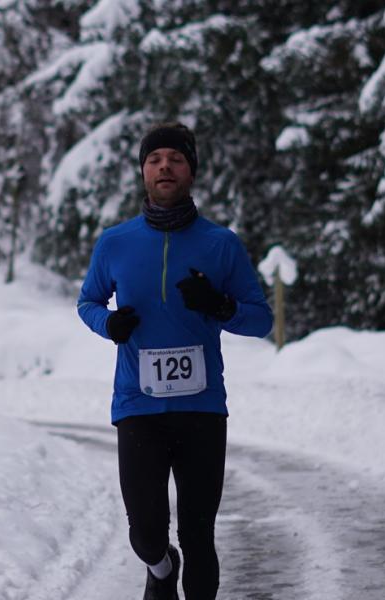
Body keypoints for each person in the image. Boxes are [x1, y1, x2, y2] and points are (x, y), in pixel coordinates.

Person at [76, 122, 273, 599]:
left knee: (199, 534)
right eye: (154, 159)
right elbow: (88, 303)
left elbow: (260, 319)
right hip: (138, 406)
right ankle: (161, 569)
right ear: (143, 172)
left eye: (176, 159)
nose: (165, 166)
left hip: (202, 409)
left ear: (191, 172)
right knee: (146, 533)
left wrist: (221, 306)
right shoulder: (115, 243)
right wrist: (110, 325)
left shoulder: (220, 244)